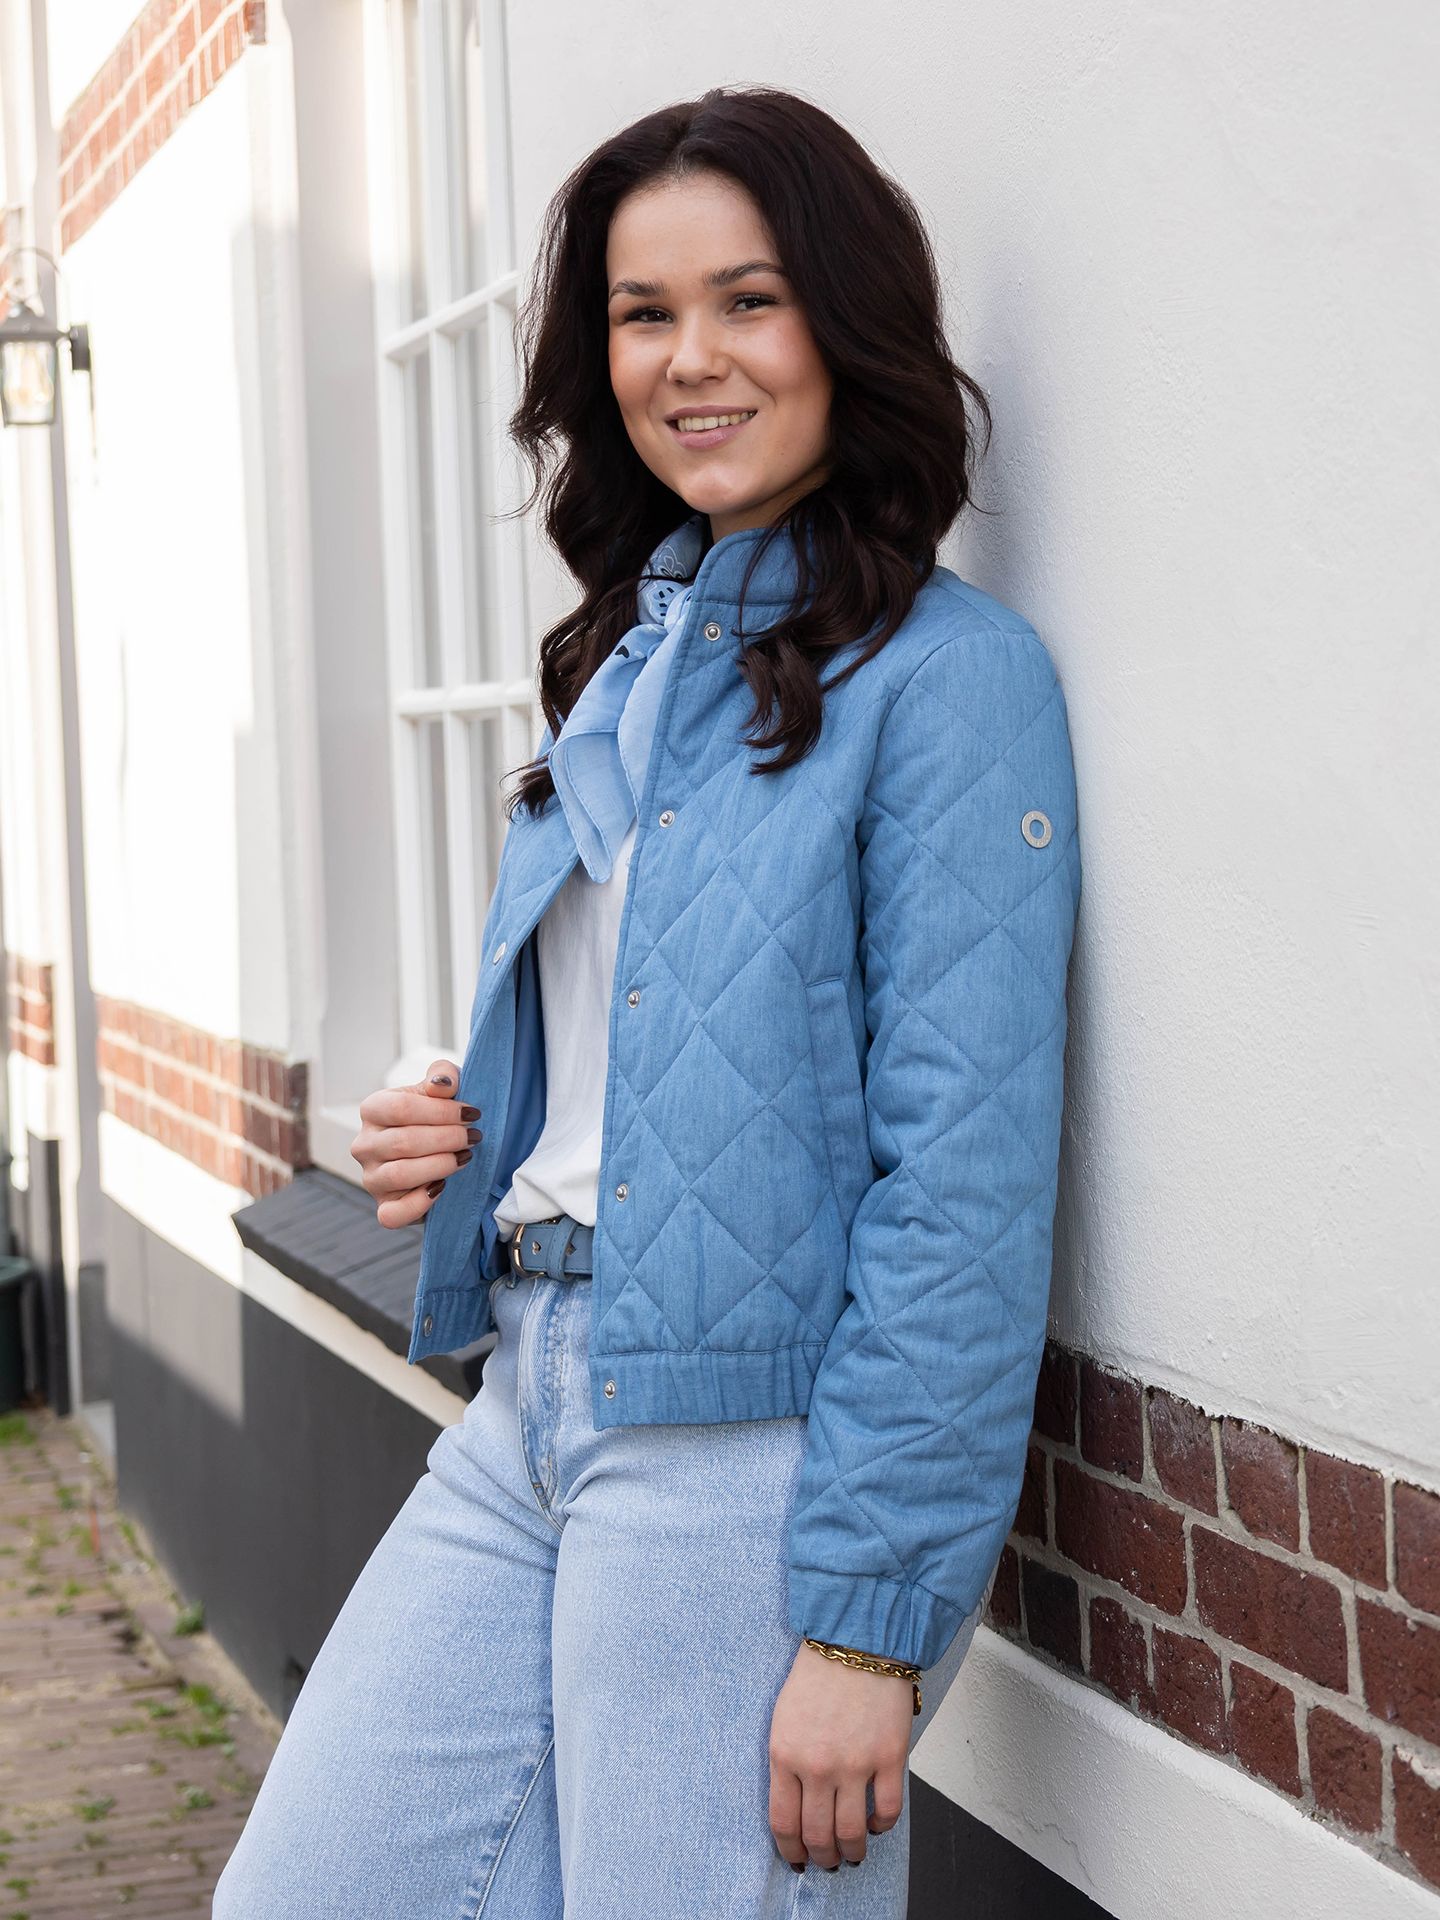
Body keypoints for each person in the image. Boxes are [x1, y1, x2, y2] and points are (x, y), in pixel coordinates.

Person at [214, 81, 1081, 1919]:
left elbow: (966, 1184)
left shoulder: (950, 682)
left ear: (847, 324)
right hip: (526, 1400)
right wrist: (465, 1129)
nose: (691, 358)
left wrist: (870, 1622)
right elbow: (664, 1053)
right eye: (643, 313)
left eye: (748, 300)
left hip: (743, 1458)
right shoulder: (629, 665)